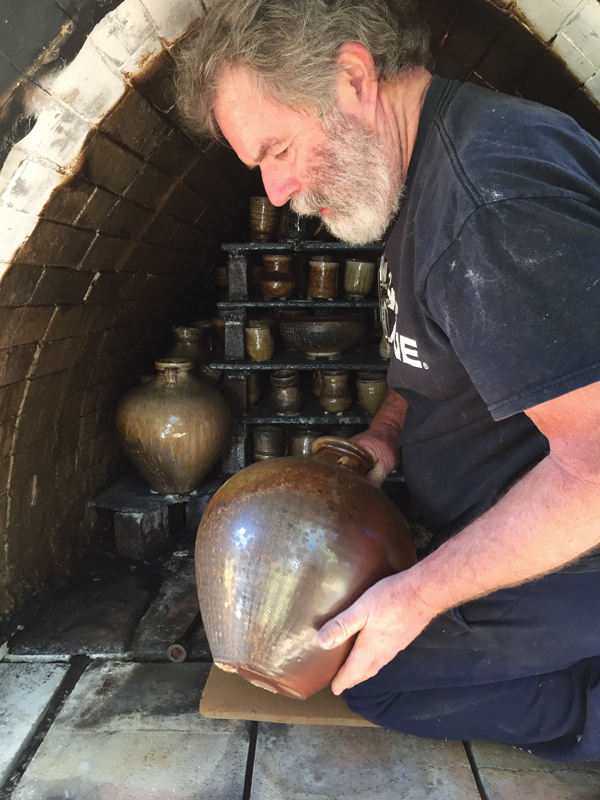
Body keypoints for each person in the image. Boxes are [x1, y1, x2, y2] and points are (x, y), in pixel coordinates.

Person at [176, 0, 600, 760]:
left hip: (582, 544)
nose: (275, 194)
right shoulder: (413, 179)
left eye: (278, 148)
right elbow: (433, 354)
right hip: (524, 519)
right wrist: (386, 430)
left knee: (369, 669)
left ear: (351, 76)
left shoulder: (488, 205)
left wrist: (421, 593)